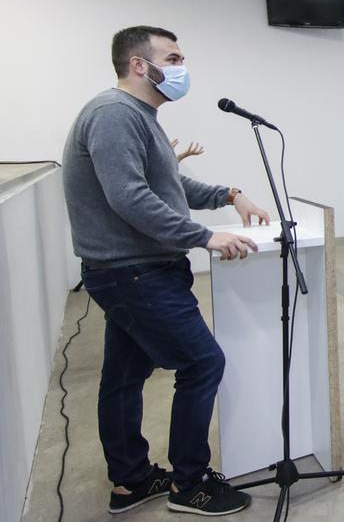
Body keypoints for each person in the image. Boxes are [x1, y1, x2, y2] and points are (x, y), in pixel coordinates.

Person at [63, 26, 270, 516]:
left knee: (123, 376)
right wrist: (204, 235)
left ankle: (130, 482)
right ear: (140, 64)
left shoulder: (139, 115)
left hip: (133, 269)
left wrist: (228, 194)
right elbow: (129, 198)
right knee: (202, 363)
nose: (181, 67)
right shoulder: (114, 114)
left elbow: (166, 183)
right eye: (173, 58)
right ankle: (189, 484)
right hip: (134, 271)